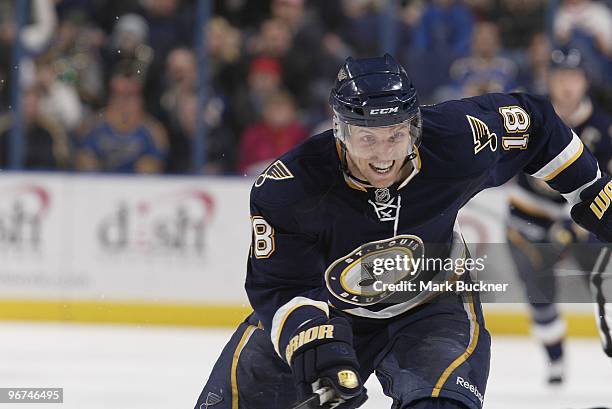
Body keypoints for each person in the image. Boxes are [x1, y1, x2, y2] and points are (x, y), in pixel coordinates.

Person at [194, 54, 612, 409]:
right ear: (339, 130)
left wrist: (592, 189)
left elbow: (535, 124)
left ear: (413, 126)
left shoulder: (455, 138)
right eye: (367, 138)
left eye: (395, 135)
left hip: (435, 303)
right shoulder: (289, 186)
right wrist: (314, 342)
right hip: (329, 306)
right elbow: (282, 284)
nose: (383, 156)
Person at [506, 48, 612, 384]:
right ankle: (555, 360)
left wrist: (574, 223)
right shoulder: (532, 117)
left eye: (574, 77)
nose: (567, 85)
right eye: (560, 77)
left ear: (585, 82)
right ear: (549, 79)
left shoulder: (603, 127)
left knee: (605, 289)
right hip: (529, 216)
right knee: (538, 292)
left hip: (585, 219)